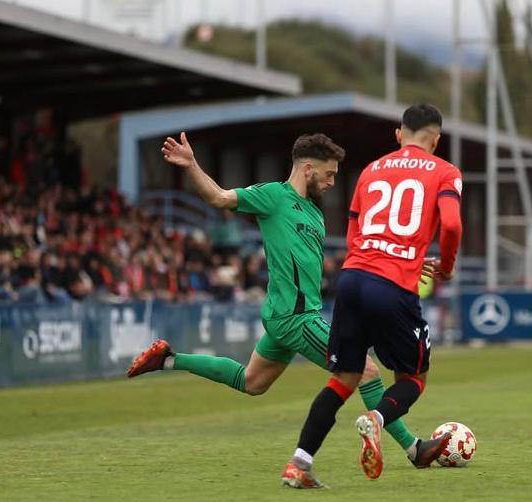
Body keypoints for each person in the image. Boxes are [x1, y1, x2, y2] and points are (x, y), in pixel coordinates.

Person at [127, 132, 446, 488]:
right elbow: (218, 197)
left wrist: (406, 264)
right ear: (307, 168)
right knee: (365, 370)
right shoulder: (272, 196)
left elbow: (346, 261)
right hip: (296, 317)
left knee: (251, 382)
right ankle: (413, 448)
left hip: (289, 316)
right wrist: (190, 164)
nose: (332, 181)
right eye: (328, 174)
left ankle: (169, 359)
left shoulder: (313, 213)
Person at [284, 104, 463, 487]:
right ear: (436, 139)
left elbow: (352, 232)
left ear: (398, 135)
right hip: (393, 285)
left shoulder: (371, 171)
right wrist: (445, 265)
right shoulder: (446, 172)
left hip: (352, 278)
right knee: (413, 378)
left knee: (343, 378)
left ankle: (299, 464)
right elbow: (450, 223)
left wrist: (365, 261)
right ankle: (377, 420)